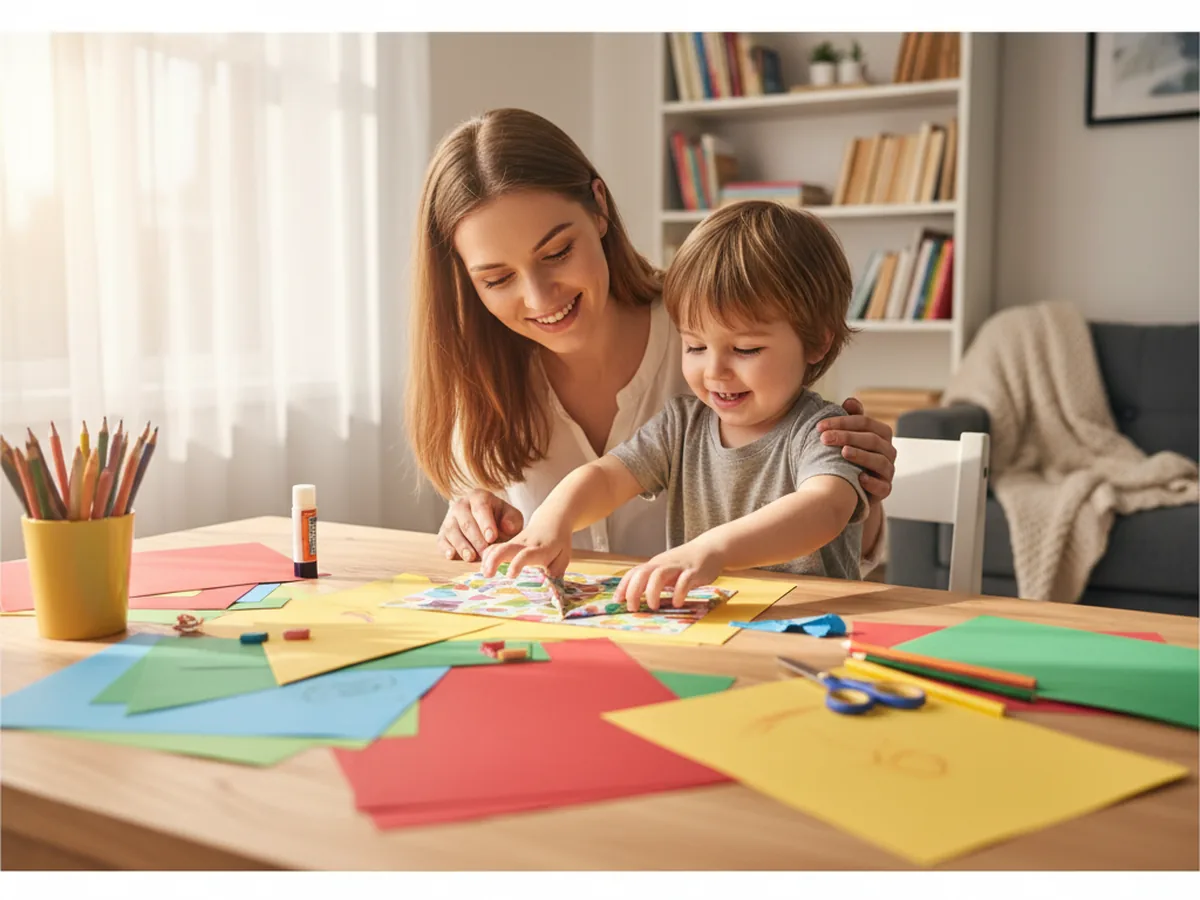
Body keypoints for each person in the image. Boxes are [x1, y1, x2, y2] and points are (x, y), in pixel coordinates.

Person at [406, 107, 897, 570]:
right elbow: (597, 481)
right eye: (496, 279)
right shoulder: (483, 378)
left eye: (557, 252)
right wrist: (485, 519)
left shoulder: (711, 319)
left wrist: (864, 495)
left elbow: (831, 515)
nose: (537, 299)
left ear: (599, 208)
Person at [481, 200, 867, 610]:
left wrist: (712, 550)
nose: (715, 370)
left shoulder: (824, 430)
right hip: (707, 624)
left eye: (746, 349)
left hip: (810, 625)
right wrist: (550, 521)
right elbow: (607, 478)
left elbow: (824, 509)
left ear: (817, 341)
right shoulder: (682, 424)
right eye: (695, 345)